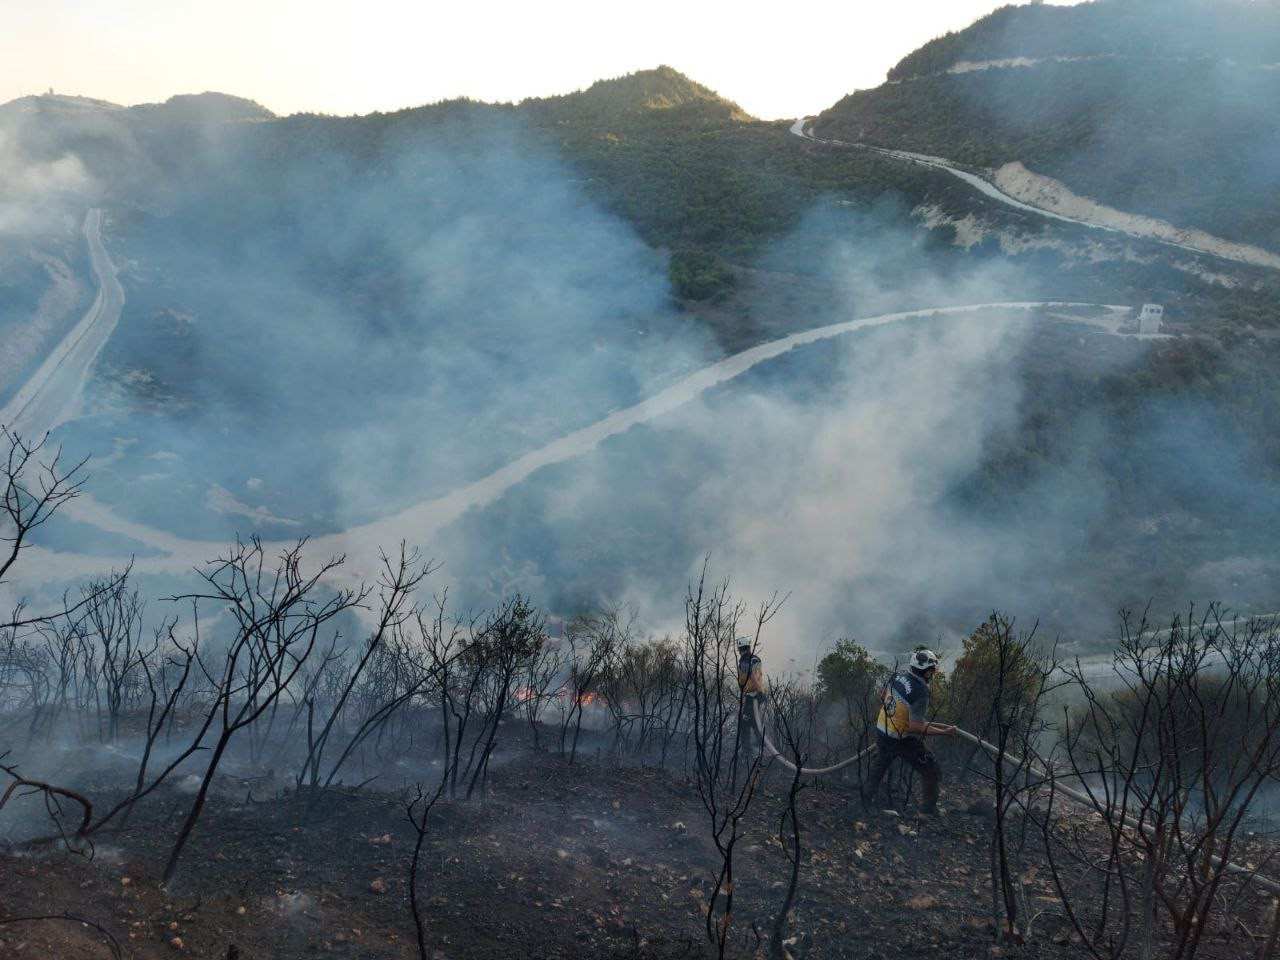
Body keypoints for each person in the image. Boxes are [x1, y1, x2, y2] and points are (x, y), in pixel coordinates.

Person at [861, 646, 955, 815]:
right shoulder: (921, 693)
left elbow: (883, 696)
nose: (933, 674)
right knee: (931, 769)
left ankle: (864, 800)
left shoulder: (897, 675)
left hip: (882, 730)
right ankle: (928, 808)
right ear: (926, 672)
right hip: (900, 738)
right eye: (932, 671)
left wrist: (896, 713)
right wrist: (944, 732)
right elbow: (914, 726)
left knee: (880, 764)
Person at [735, 636, 766, 780]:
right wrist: (761, 692)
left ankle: (749, 751)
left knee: (745, 722)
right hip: (758, 694)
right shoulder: (756, 658)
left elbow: (752, 677)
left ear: (740, 649)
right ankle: (758, 746)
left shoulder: (744, 660)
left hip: (752, 696)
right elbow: (758, 677)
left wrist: (756, 692)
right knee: (752, 721)